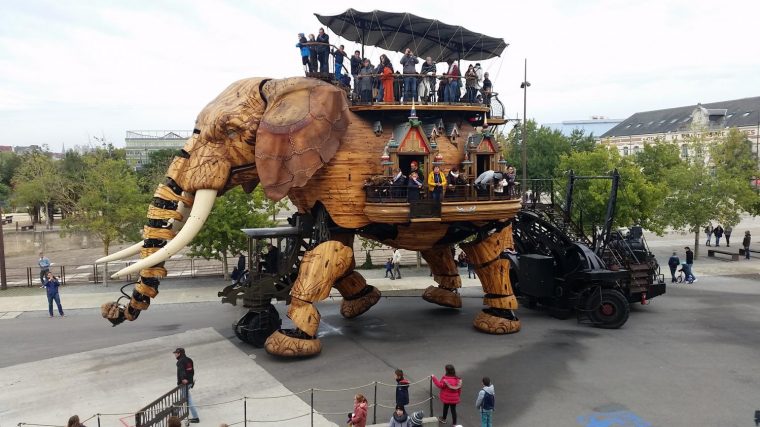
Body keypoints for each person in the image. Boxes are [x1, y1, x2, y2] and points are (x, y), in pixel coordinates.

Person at [174, 347, 199, 423]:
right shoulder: (189, 360)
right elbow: (192, 371)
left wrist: (183, 379)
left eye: (176, 353)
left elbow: (181, 371)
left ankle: (196, 417)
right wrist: (191, 381)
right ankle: (176, 414)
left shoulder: (180, 362)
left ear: (179, 353)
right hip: (190, 382)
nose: (175, 355)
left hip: (184, 383)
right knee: (183, 398)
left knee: (188, 399)